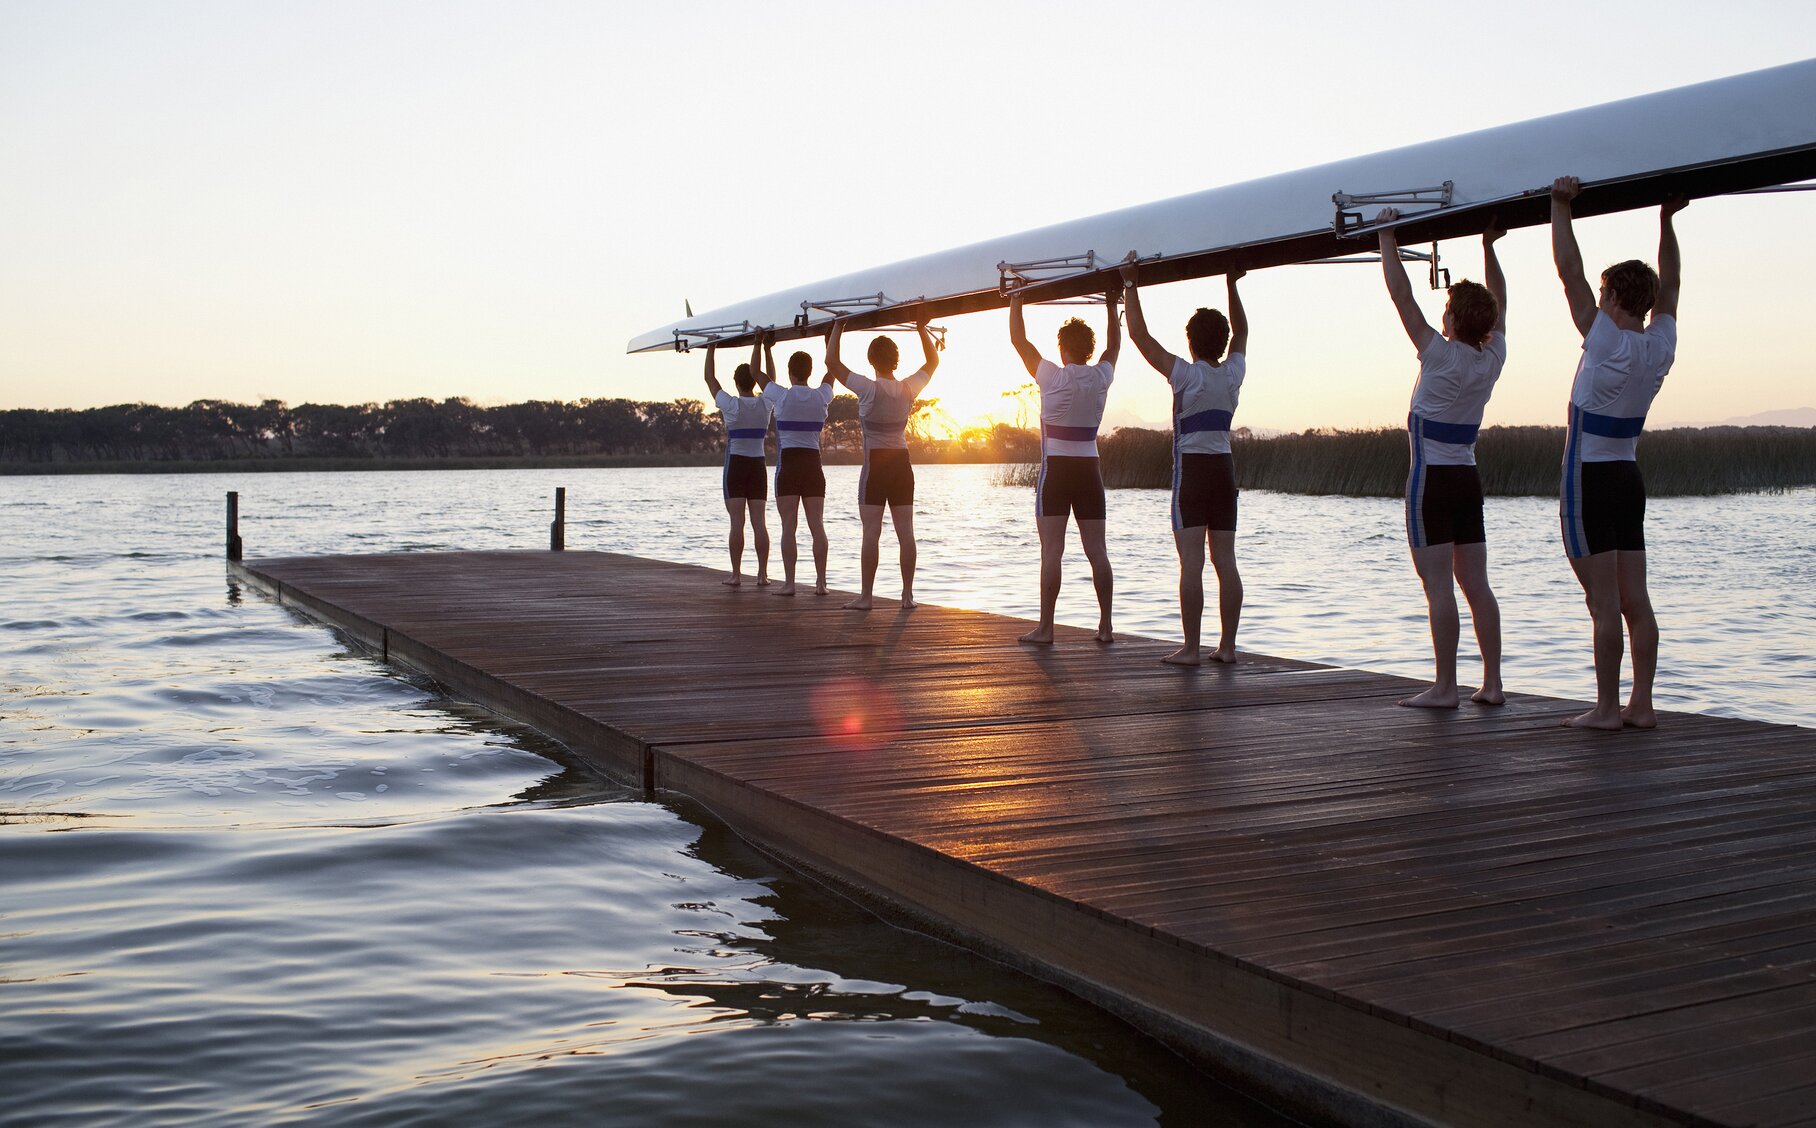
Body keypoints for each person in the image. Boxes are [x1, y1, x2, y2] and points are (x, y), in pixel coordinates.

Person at [1550, 175, 1686, 730]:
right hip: (1629, 479)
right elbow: (1672, 285)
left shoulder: (1603, 338)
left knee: (1603, 603)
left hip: (1588, 480)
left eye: (1602, 294)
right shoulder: (1660, 346)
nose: (1596, 299)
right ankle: (1642, 706)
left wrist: (1560, 207)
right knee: (1637, 601)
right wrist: (1667, 219)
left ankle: (1607, 709)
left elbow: (1568, 272)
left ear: (1610, 299)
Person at [1375, 207, 1509, 708]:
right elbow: (1502, 303)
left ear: (1451, 321)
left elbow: (1402, 296)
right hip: (1467, 480)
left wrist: (1387, 236)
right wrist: (1489, 246)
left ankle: (1446, 687)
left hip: (1430, 482)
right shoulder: (1493, 357)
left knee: (1439, 588)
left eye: (1447, 309)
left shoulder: (1438, 352)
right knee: (1477, 585)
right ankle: (1492, 684)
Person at [1120, 260, 1248, 665]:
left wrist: (1129, 283)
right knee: (1225, 561)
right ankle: (1226, 647)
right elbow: (1242, 332)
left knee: (1191, 563)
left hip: (1192, 474)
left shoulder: (1186, 376)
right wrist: (1232, 284)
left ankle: (1192, 649)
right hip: (1224, 472)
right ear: (1222, 343)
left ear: (1190, 343)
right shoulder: (1232, 374)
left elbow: (1139, 335)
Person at [1007, 287, 1120, 645]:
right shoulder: (1101, 376)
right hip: (1090, 470)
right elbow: (1114, 348)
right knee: (1097, 551)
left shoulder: (1052, 376)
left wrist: (1016, 300)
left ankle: (1046, 628)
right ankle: (1105, 627)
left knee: (1052, 550)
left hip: (1056, 471)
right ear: (1088, 349)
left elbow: (1018, 339)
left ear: (1062, 348)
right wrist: (1112, 305)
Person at [825, 319, 938, 610]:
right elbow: (933, 361)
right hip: (902, 465)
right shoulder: (908, 388)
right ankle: (907, 596)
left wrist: (839, 325)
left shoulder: (867, 388)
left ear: (871, 361)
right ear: (896, 361)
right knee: (906, 533)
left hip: (875, 466)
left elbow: (831, 362)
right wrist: (921, 328)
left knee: (871, 532)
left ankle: (866, 597)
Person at [758, 332, 837, 596]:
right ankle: (821, 583)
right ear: (809, 372)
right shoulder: (821, 396)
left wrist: (761, 345)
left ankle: (790, 583)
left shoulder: (781, 396)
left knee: (788, 527)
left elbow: (757, 374)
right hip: (813, 465)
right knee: (817, 525)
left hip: (789, 465)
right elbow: (832, 369)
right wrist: (830, 339)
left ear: (790, 373)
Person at [703, 339, 772, 587]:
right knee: (759, 522)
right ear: (755, 381)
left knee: (737, 523)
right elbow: (771, 381)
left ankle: (736, 575)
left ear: (736, 383)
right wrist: (765, 348)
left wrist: (711, 348)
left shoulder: (731, 405)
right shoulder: (766, 404)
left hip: (736, 465)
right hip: (758, 466)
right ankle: (763, 575)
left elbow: (710, 380)